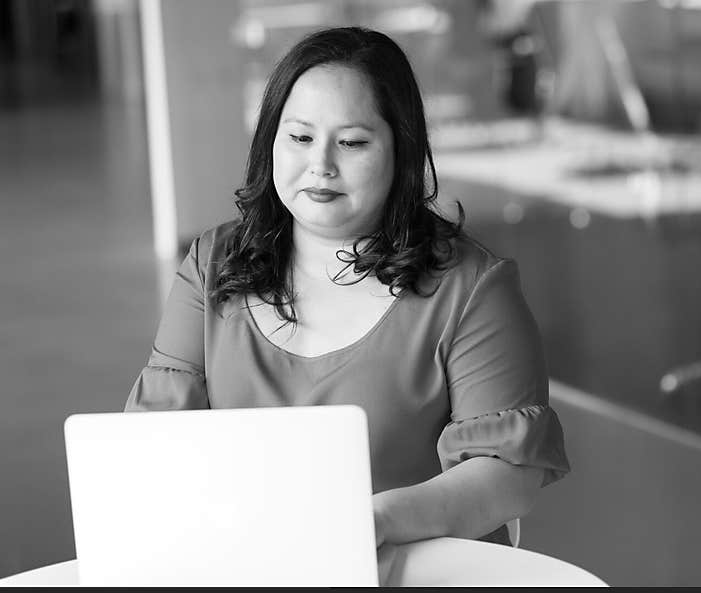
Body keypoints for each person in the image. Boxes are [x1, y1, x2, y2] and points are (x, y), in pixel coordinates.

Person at [125, 26, 569, 548]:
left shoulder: (472, 288)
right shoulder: (212, 263)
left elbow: (507, 478)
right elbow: (152, 442)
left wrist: (373, 524)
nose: (321, 165)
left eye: (353, 142)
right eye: (300, 137)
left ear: (401, 150)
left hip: (414, 576)